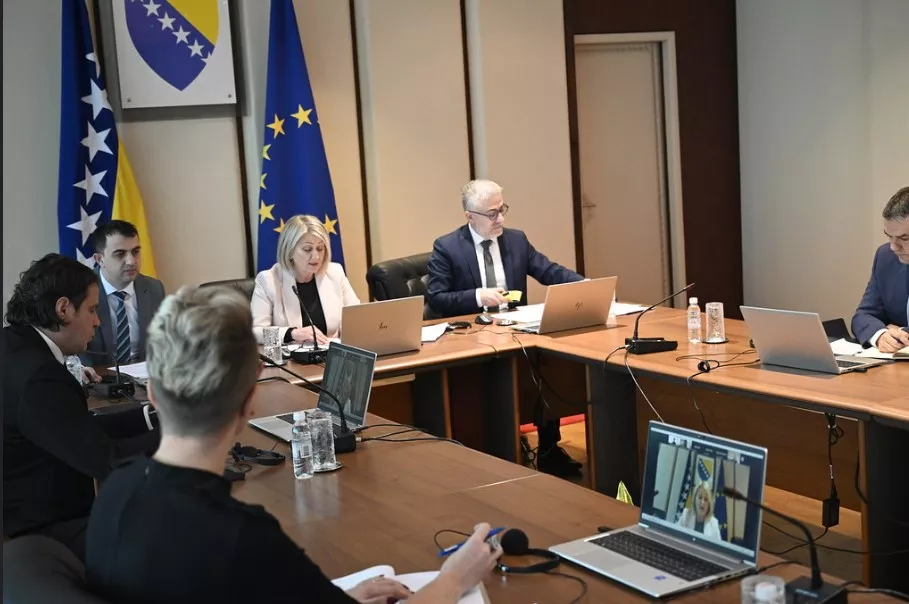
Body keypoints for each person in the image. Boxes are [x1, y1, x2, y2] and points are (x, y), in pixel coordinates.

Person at [85, 285, 501, 603]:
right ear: (248, 403)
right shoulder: (243, 536)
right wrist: (453, 580)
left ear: (153, 394)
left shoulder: (114, 492)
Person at [2, 254, 160, 560]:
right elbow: (108, 461)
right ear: (63, 309)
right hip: (44, 531)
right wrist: (185, 435)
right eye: (91, 310)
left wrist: (153, 415)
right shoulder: (39, 377)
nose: (98, 321)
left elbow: (77, 427)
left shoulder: (15, 344)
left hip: (28, 508)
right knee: (176, 530)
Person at [426, 179, 584, 318]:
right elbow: (437, 299)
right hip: (471, 331)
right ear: (470, 217)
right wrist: (478, 297)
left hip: (515, 327)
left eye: (501, 210)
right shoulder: (447, 247)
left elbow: (549, 271)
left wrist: (584, 284)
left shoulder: (516, 240)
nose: (500, 219)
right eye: (492, 214)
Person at [252, 214, 360, 346]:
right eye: (307, 249)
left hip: (331, 352)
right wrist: (292, 334)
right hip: (293, 357)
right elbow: (255, 332)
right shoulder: (268, 281)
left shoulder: (335, 272)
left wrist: (352, 329)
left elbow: (356, 315)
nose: (316, 256)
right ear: (290, 251)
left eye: (320, 248)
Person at [83, 220, 166, 367]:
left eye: (135, 252)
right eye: (120, 254)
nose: (131, 261)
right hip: (101, 376)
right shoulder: (82, 290)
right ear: (99, 259)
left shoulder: (154, 288)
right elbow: (74, 352)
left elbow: (164, 342)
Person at [851, 186, 909, 352]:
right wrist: (880, 334)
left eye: (904, 238)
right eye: (889, 236)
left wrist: (900, 331)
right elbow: (863, 316)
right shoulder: (885, 257)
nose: (893, 247)